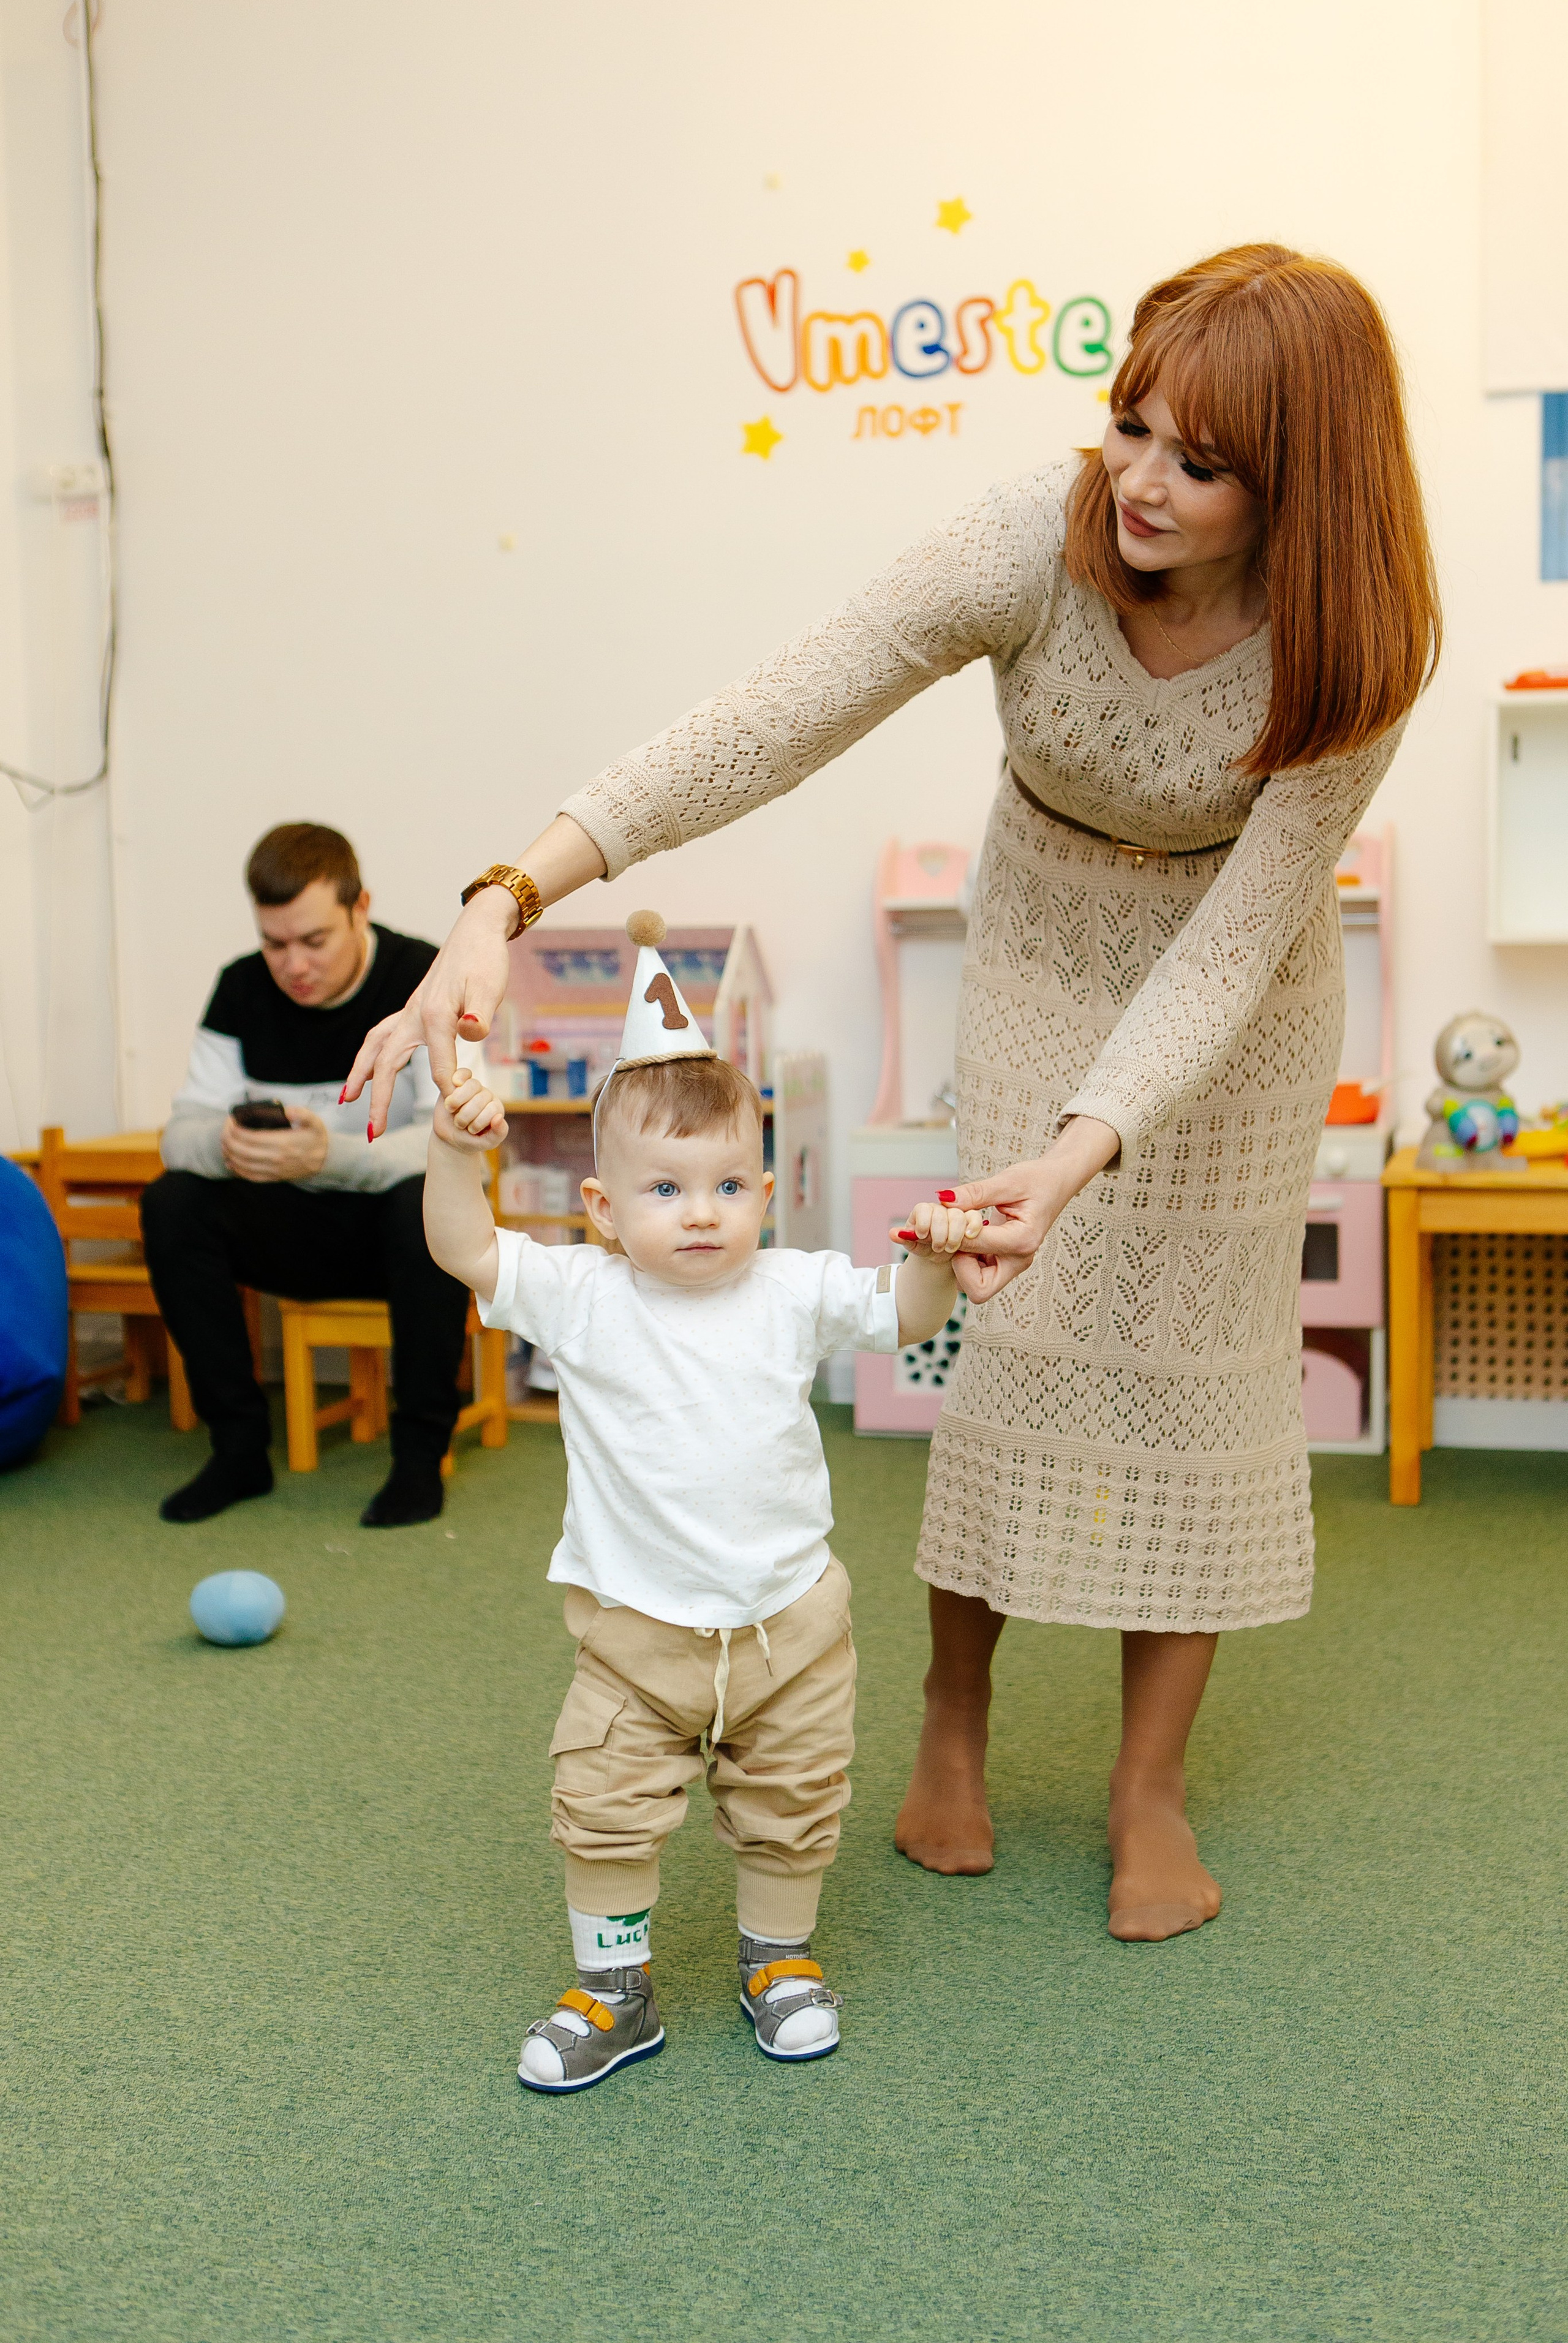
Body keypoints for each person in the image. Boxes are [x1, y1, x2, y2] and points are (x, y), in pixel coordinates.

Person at [347, 244, 1442, 1941]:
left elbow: (1231, 954)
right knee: (1010, 1328)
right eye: (1130, 426)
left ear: (1304, 485)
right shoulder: (1038, 536)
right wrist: (515, 889)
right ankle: (955, 1717)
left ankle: (1150, 1789)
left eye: (1202, 462)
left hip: (1235, 1007)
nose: (1141, 482)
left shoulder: (1353, 648)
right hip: (1038, 949)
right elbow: (778, 712)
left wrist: (1087, 1148)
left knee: (1199, 1372)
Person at [423, 916, 991, 2090]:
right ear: (599, 1207)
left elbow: (908, 1317)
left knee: (794, 1800)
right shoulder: (582, 1295)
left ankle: (778, 1964)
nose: (700, 1211)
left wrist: (934, 1249)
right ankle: (615, 1993)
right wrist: (450, 1152)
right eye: (667, 1189)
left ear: (767, 1193)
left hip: (790, 1623)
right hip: (637, 1631)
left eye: (729, 1185)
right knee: (604, 1805)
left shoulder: (790, 1288)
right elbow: (465, 1252)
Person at [141, 823, 472, 1528]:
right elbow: (179, 1136)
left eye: (313, 941)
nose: (292, 964)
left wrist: (332, 1157)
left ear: (361, 908)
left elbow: (454, 1136)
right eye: (274, 943)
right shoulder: (238, 989)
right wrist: (229, 1144)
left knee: (424, 1203)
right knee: (173, 1202)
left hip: (392, 1234)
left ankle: (418, 1459)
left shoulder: (422, 978)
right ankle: (238, 1451)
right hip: (288, 1225)